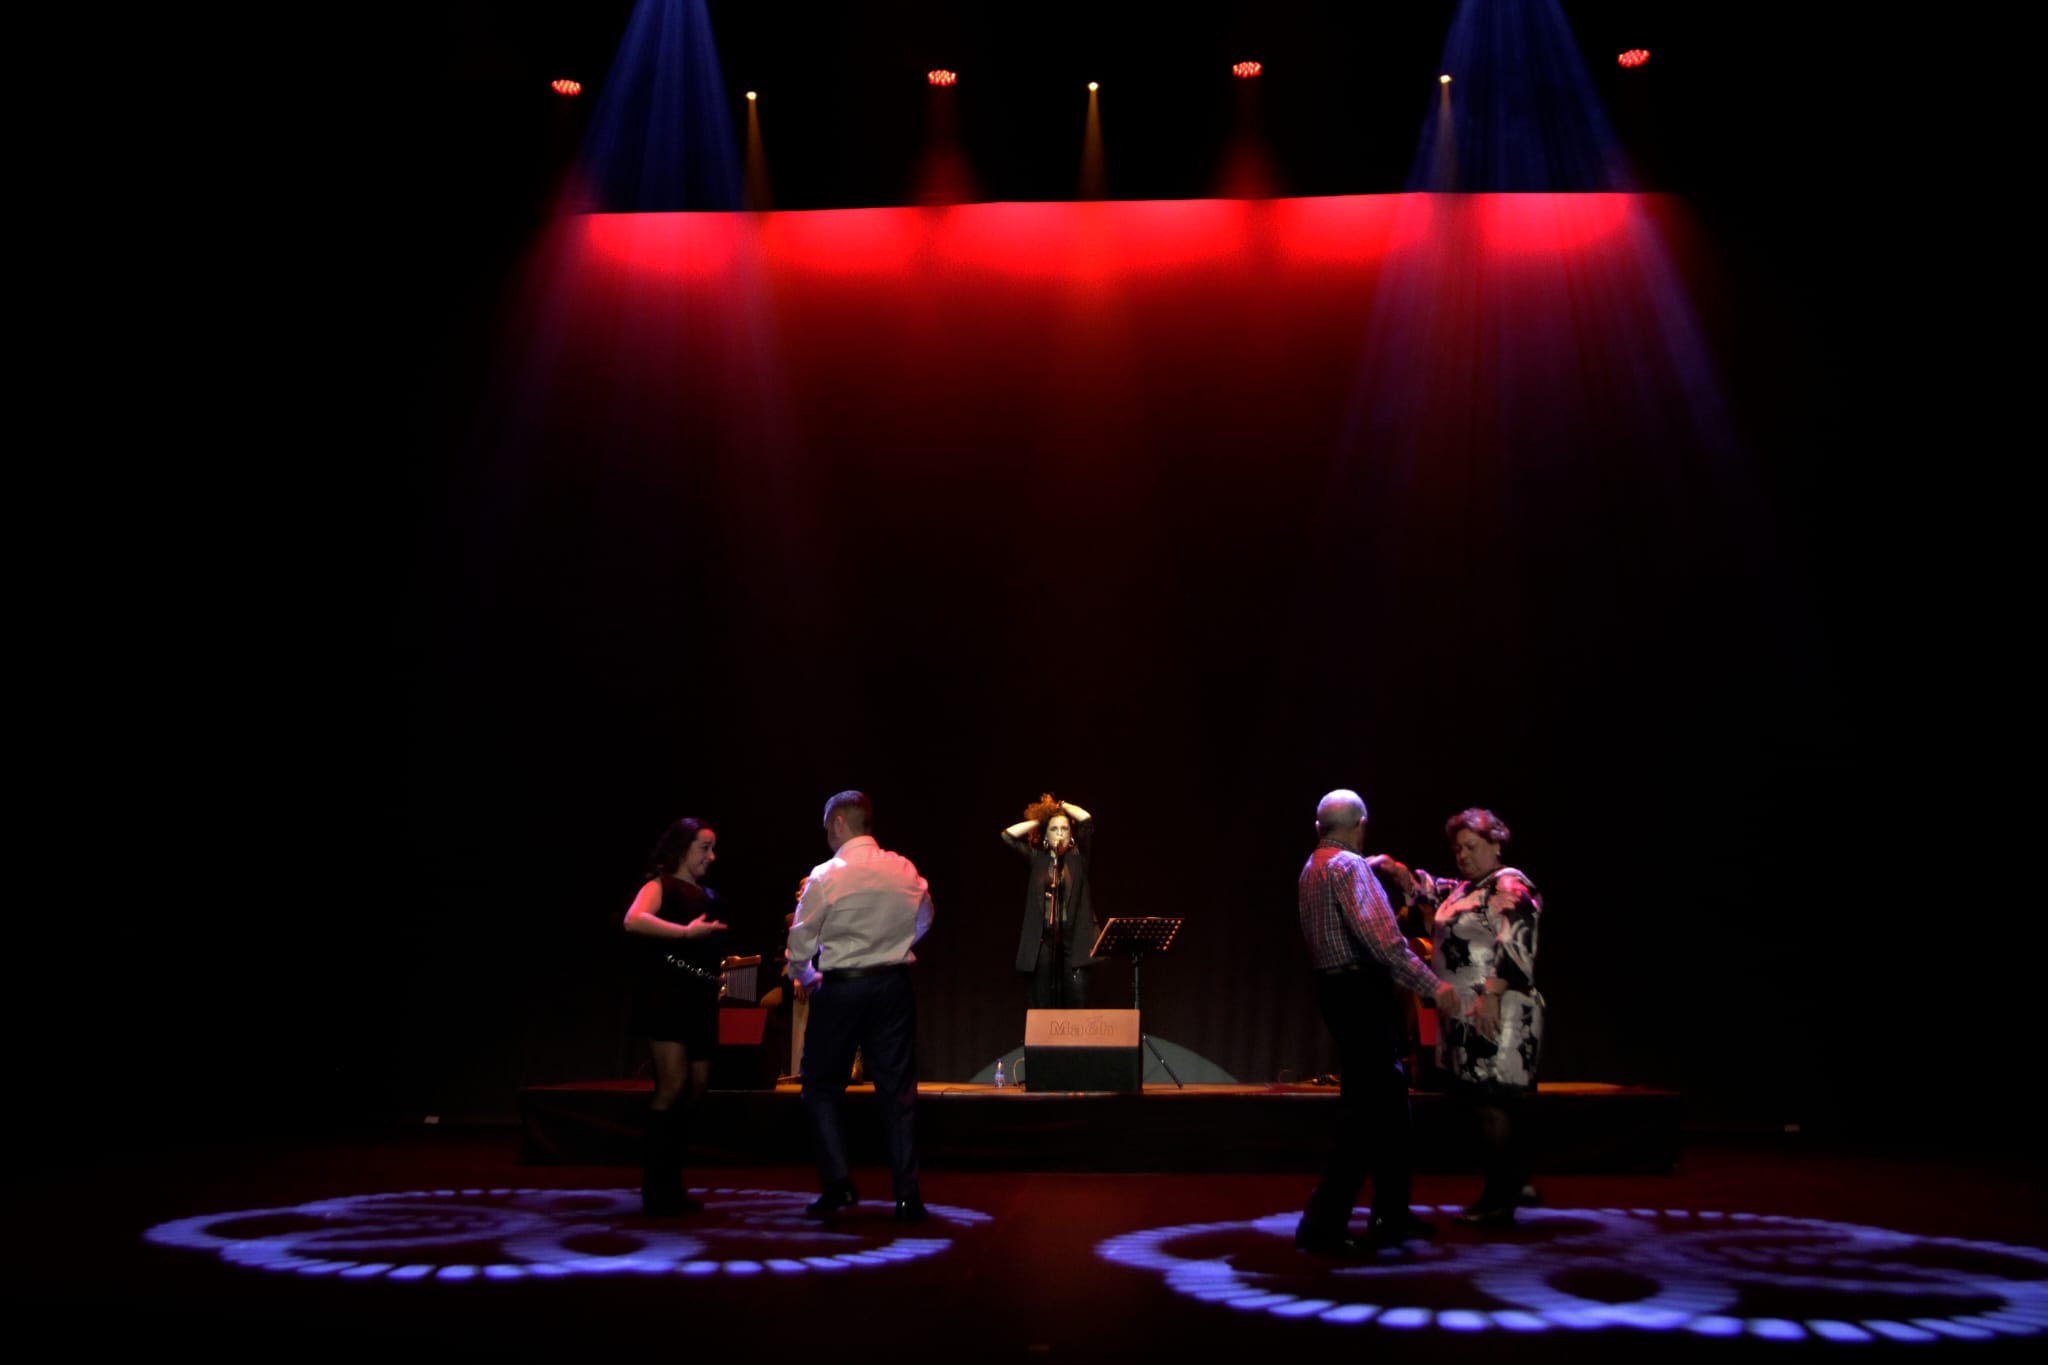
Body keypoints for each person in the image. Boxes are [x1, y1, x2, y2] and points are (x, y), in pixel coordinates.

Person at [1294, 789, 1464, 1257]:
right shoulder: (1350, 868)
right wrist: (1434, 987)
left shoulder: (1312, 867)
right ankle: (1323, 1223)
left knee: (1386, 1109)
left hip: (1336, 991)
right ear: (1361, 825)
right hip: (1360, 993)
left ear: (1318, 828)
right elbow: (1385, 944)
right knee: (1368, 1113)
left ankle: (1391, 1213)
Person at [787, 791, 936, 1223]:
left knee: (820, 1086)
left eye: (826, 829)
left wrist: (805, 975)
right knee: (898, 1091)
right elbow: (925, 917)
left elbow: (800, 940)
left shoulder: (826, 875)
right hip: (892, 986)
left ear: (838, 823)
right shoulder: (903, 868)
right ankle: (907, 1196)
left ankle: (838, 1184)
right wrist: (894, 946)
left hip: (842, 988)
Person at [1410, 807, 1545, 1227]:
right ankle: (1515, 1183)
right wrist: (1393, 870)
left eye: (1471, 846)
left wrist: (1491, 994)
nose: (1462, 855)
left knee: (1494, 1101)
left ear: (1495, 843)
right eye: (1458, 849)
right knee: (1483, 1101)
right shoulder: (1466, 889)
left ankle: (1499, 1200)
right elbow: (1426, 890)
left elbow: (1518, 939)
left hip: (1499, 1008)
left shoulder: (1509, 883)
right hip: (1469, 1014)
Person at [621, 817, 729, 1216]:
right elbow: (634, 919)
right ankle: (656, 1187)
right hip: (666, 996)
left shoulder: (710, 895)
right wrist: (684, 934)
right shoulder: (661, 885)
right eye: (704, 847)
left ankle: (672, 1180)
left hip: (698, 997)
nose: (711, 856)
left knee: (697, 1085)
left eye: (713, 848)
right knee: (673, 1084)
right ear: (682, 847)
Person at [1001, 794, 1098, 1009]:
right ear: (1045, 834)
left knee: (1078, 1001)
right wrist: (1041, 819)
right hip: (1044, 940)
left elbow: (1085, 819)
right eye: (1054, 829)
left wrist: (1060, 806)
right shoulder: (1037, 859)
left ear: (1071, 834)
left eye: (1064, 829)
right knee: (1042, 1003)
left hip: (1074, 940)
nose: (1060, 833)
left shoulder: (1079, 858)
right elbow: (1008, 836)